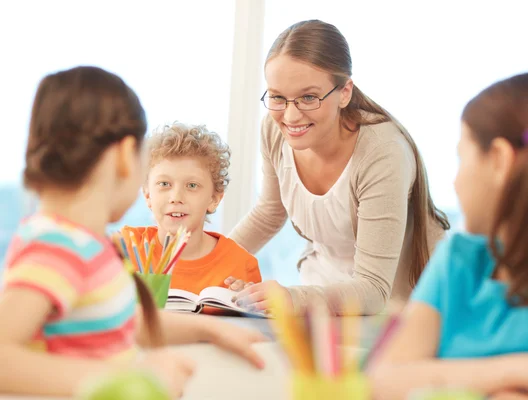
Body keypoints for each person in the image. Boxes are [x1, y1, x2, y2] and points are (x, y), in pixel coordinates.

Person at [0, 66, 265, 398]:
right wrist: (132, 381)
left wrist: (209, 328)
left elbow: (123, 320)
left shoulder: (87, 245)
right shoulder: (56, 247)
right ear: (127, 156)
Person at [372, 71, 528, 398]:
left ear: (498, 160)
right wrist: (527, 370)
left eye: (461, 158)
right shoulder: (457, 261)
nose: (455, 181)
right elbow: (384, 380)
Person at [226, 19, 450, 316]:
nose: (290, 116)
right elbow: (269, 212)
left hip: (400, 307)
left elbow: (373, 289)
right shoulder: (273, 129)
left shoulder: (382, 153)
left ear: (344, 92)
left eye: (308, 97)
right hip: (324, 292)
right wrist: (208, 260)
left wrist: (291, 298)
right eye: (278, 97)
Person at [122, 123, 261, 297]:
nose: (176, 196)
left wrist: (246, 305)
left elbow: (253, 322)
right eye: (164, 184)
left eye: (192, 185)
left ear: (214, 199)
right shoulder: (126, 248)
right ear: (148, 195)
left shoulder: (241, 265)